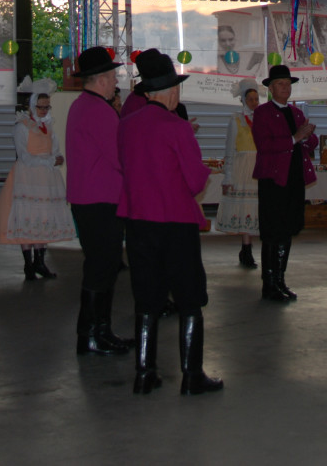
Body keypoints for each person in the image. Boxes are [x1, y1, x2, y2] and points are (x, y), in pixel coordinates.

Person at [118, 49, 222, 396]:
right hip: (175, 222)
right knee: (189, 299)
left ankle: (144, 374)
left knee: (147, 300)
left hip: (137, 221)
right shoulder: (178, 128)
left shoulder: (126, 125)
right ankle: (192, 376)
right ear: (173, 92)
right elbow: (194, 182)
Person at [66, 46, 133, 356]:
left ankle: (94, 332)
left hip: (88, 197)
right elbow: (121, 155)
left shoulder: (82, 106)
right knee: (102, 266)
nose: (115, 80)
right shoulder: (98, 110)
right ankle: (94, 335)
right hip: (100, 199)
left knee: (100, 264)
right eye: (112, 75)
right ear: (100, 79)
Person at [0, 77, 76, 279]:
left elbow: (54, 149)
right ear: (32, 105)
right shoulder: (22, 126)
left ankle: (39, 262)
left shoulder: (48, 126)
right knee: (27, 218)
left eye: (46, 107)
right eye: (40, 107)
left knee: (42, 219)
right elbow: (24, 156)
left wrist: (57, 158)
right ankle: (28, 265)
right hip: (27, 177)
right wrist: (48, 161)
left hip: (46, 179)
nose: (44, 110)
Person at [251, 64, 318, 302]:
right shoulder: (262, 113)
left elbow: (307, 145)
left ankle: (280, 280)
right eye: (280, 84)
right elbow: (265, 146)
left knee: (288, 230)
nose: (285, 88)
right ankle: (269, 284)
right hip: (274, 179)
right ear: (270, 88)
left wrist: (309, 137)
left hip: (294, 178)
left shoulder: (297, 112)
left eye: (288, 84)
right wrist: (294, 137)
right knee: (272, 232)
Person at [215, 79, 261, 268]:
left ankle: (248, 248)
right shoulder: (236, 119)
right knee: (244, 208)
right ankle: (246, 248)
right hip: (242, 169)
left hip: (258, 168)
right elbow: (230, 150)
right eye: (250, 99)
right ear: (243, 100)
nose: (254, 102)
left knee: (255, 208)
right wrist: (228, 176)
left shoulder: (262, 119)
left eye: (256, 99)